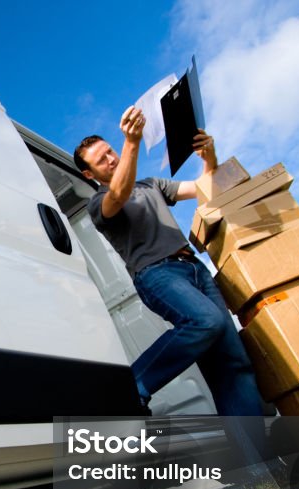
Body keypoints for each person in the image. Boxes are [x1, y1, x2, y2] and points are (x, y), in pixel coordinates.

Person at [73, 106, 263, 420]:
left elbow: (204, 188)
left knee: (234, 366)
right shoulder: (99, 204)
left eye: (110, 151)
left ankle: (260, 468)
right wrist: (131, 142)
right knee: (205, 321)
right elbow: (118, 195)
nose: (111, 158)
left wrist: (208, 157)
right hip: (158, 274)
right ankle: (131, 387)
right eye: (101, 159)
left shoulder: (150, 185)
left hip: (196, 270)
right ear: (89, 175)